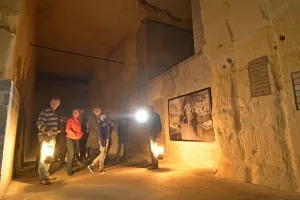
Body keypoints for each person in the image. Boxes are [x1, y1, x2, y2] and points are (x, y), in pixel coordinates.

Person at [36, 96, 61, 185]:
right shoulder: (45, 111)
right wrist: (47, 130)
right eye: (53, 102)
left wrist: (56, 131)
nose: (55, 104)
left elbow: (51, 126)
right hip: (45, 137)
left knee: (49, 157)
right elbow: (39, 123)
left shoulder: (54, 113)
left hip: (52, 137)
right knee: (43, 157)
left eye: (57, 103)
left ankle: (46, 175)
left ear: (59, 104)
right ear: (50, 102)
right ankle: (42, 178)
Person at [66, 108, 83, 176]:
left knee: (75, 154)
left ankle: (71, 168)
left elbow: (79, 130)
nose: (75, 113)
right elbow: (67, 129)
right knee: (71, 153)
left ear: (79, 113)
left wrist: (80, 135)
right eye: (74, 112)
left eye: (76, 112)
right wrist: (75, 134)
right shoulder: (70, 120)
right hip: (70, 138)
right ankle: (69, 171)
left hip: (76, 139)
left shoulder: (79, 121)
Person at [145, 106, 162, 170]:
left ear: (151, 109)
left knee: (154, 150)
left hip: (153, 134)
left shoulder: (156, 116)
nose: (147, 111)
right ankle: (153, 162)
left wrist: (159, 132)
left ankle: (155, 164)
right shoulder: (148, 116)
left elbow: (159, 124)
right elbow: (147, 125)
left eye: (148, 109)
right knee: (151, 149)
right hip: (150, 134)